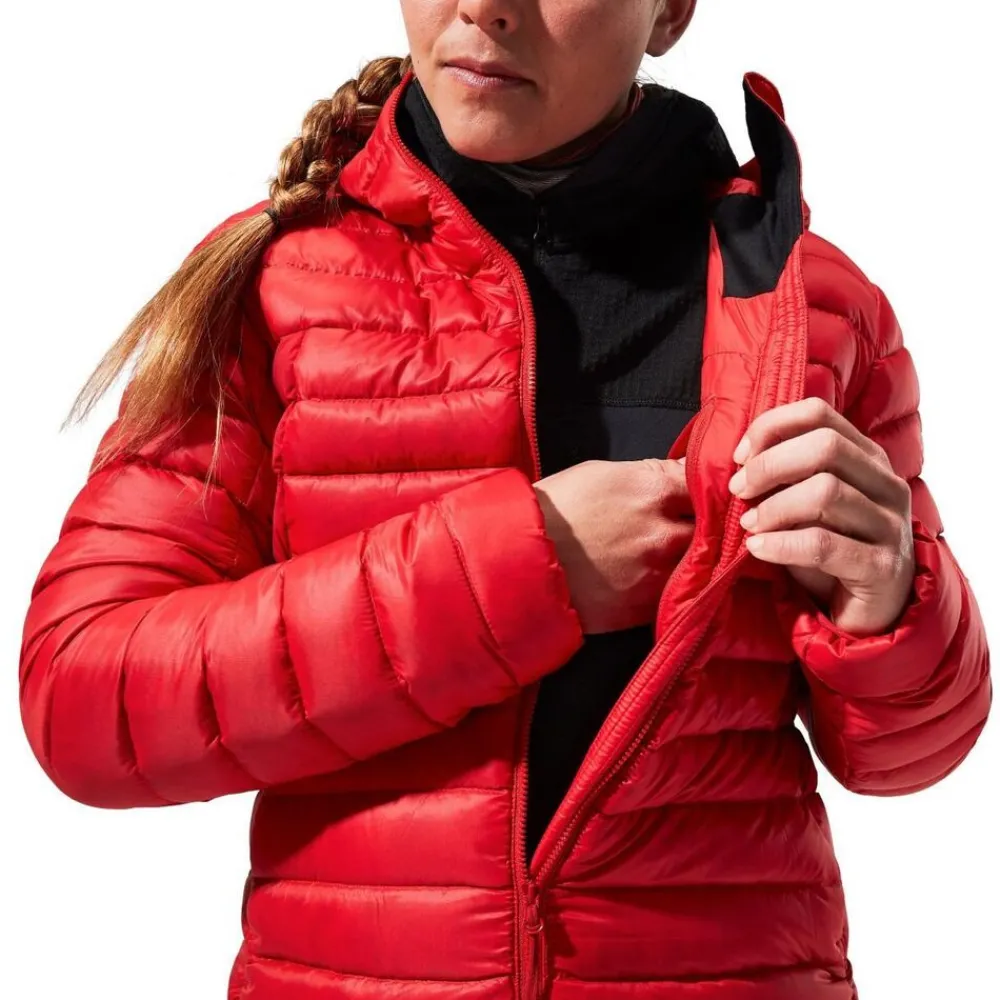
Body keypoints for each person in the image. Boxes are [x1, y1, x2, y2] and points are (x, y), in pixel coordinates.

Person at [17, 2, 991, 998]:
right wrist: (527, 566)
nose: (486, 6)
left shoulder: (812, 307)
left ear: (669, 10)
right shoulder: (278, 286)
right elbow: (84, 703)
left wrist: (893, 606)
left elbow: (909, 756)